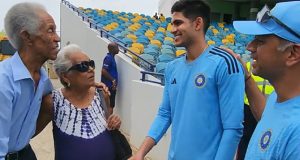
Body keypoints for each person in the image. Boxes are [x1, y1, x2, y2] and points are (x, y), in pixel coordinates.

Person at [130, 0, 245, 159]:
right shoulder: (172, 67)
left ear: (198, 23)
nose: (172, 30)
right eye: (172, 24)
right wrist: (141, 152)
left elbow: (233, 129)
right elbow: (165, 114)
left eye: (178, 23)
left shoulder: (224, 63)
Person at [233, 1, 300, 159]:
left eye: (260, 41)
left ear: (292, 53)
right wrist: (247, 79)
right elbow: (271, 120)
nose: (249, 46)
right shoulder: (279, 97)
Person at [36, 44, 121, 160]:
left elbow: (107, 124)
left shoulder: (102, 94)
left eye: (91, 64)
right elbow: (28, 134)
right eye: (83, 66)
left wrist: (114, 122)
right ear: (65, 76)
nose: (91, 69)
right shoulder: (53, 102)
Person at [0, 2, 60, 160]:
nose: (57, 38)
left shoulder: (43, 79)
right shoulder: (3, 81)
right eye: (50, 30)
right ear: (27, 36)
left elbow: (59, 98)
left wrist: (86, 88)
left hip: (25, 153)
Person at [101, 42, 119, 114]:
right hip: (108, 86)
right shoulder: (108, 58)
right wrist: (113, 80)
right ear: (112, 49)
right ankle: (108, 123)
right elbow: (103, 70)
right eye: (117, 47)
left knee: (111, 105)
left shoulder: (112, 58)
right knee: (109, 106)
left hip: (111, 86)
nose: (118, 49)